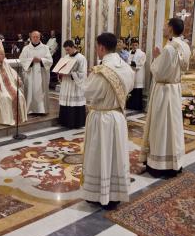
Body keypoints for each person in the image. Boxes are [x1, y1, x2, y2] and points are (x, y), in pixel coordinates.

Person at [81, 32, 134, 210]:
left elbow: (88, 92)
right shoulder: (125, 67)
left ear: (102, 47)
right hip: (118, 117)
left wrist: (89, 77)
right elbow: (130, 86)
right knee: (115, 156)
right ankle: (114, 194)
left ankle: (99, 194)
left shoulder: (101, 71)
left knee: (100, 155)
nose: (97, 50)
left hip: (102, 117)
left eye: (97, 47)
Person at [141, 18, 191, 178]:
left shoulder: (170, 48)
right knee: (173, 127)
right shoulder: (185, 46)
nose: (163, 28)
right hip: (175, 90)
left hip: (163, 92)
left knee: (161, 127)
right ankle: (174, 162)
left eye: (164, 25)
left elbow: (158, 73)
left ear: (170, 28)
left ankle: (159, 164)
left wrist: (156, 58)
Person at [0, 39, 27, 126]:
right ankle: (5, 119)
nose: (3, 56)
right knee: (6, 97)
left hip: (10, 86)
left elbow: (13, 73)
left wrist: (18, 79)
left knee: (20, 95)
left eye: (3, 54)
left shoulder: (5, 64)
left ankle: (19, 118)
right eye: (1, 54)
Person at [19, 30, 53, 114]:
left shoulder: (45, 48)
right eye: (33, 37)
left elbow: (50, 61)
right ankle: (30, 109)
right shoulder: (26, 48)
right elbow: (22, 60)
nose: (35, 38)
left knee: (41, 91)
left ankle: (41, 109)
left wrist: (41, 60)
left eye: (37, 37)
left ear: (40, 37)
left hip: (41, 73)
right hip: (30, 73)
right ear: (30, 37)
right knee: (30, 90)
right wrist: (31, 60)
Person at [58, 40, 87, 128]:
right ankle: (65, 122)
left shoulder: (81, 58)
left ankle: (76, 123)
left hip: (75, 85)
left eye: (68, 50)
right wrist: (60, 73)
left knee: (74, 103)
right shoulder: (66, 57)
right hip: (66, 84)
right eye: (66, 50)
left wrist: (71, 74)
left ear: (73, 47)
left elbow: (83, 73)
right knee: (66, 102)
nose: (67, 52)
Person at [126, 37, 146, 111]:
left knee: (137, 90)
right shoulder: (129, 52)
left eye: (136, 45)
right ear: (131, 45)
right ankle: (130, 105)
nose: (134, 46)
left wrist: (134, 64)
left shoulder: (142, 54)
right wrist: (129, 63)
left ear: (138, 45)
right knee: (131, 90)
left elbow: (141, 63)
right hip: (131, 73)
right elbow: (127, 61)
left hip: (138, 74)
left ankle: (137, 106)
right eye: (133, 45)